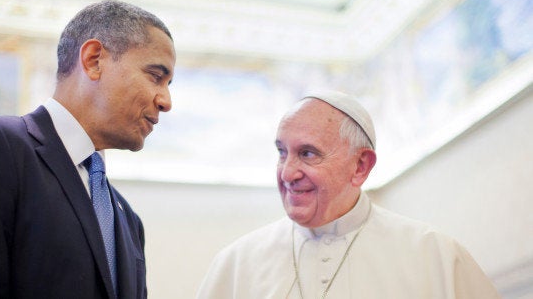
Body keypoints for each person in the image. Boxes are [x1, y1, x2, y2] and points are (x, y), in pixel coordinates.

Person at [0, 0, 175, 298]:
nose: (166, 100)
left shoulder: (128, 221)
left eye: (169, 84)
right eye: (156, 76)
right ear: (94, 59)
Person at [196, 91, 501, 299]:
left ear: (360, 166)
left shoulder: (434, 255)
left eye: (308, 153)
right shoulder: (236, 264)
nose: (287, 173)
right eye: (281, 152)